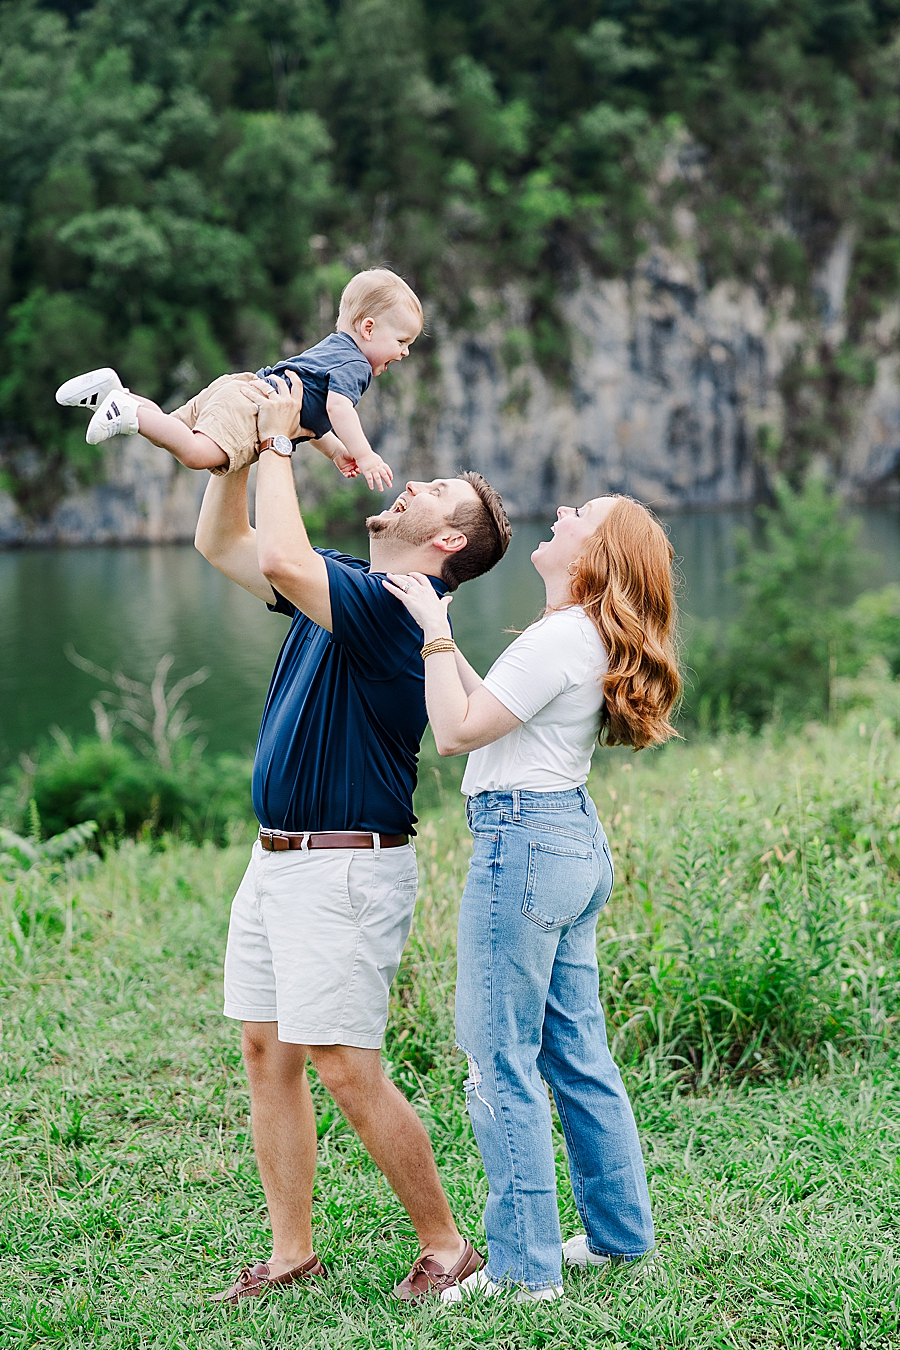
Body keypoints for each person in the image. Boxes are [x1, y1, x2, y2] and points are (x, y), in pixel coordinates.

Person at [189, 367, 512, 1305]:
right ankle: (293, 1253)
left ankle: (447, 1245)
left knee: (341, 1064)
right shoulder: (350, 586)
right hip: (279, 856)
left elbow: (286, 562)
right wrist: (241, 452)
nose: (410, 484)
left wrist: (285, 440)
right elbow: (223, 542)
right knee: (266, 1048)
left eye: (435, 494)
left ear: (446, 542)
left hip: (343, 870)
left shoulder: (394, 610)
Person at [385, 493, 680, 1300]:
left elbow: (454, 732)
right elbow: (496, 714)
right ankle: (618, 1238)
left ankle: (523, 1273)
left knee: (498, 1062)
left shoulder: (559, 636)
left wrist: (434, 631)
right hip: (568, 841)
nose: (561, 509)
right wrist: (435, 626)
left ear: (593, 557)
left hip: (523, 848)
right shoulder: (579, 637)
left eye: (581, 513)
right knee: (576, 1053)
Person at [54, 268, 421, 489]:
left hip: (241, 387)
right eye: (402, 341)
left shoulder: (334, 349)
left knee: (169, 429)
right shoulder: (355, 366)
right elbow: (338, 408)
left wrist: (338, 452)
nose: (404, 352)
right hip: (252, 407)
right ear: (368, 328)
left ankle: (117, 395)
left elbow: (313, 417)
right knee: (198, 454)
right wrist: (365, 454)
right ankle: (127, 412)